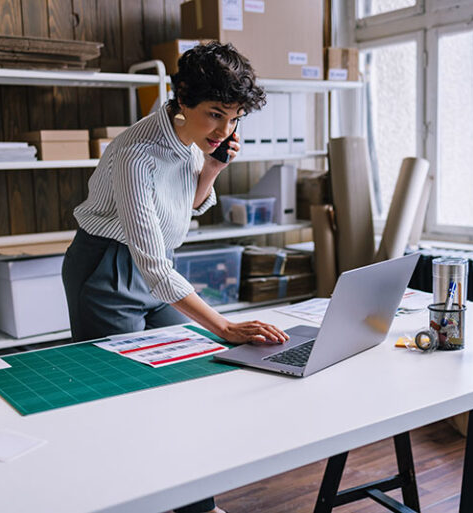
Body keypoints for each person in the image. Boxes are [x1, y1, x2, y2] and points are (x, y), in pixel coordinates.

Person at [62, 42, 289, 513]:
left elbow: (181, 209)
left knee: (186, 386)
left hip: (153, 266)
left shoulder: (191, 138)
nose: (226, 129)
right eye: (215, 115)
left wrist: (210, 167)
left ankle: (197, 507)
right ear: (181, 97)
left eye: (235, 118)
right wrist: (224, 326)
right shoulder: (136, 155)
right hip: (107, 270)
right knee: (125, 403)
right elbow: (152, 264)